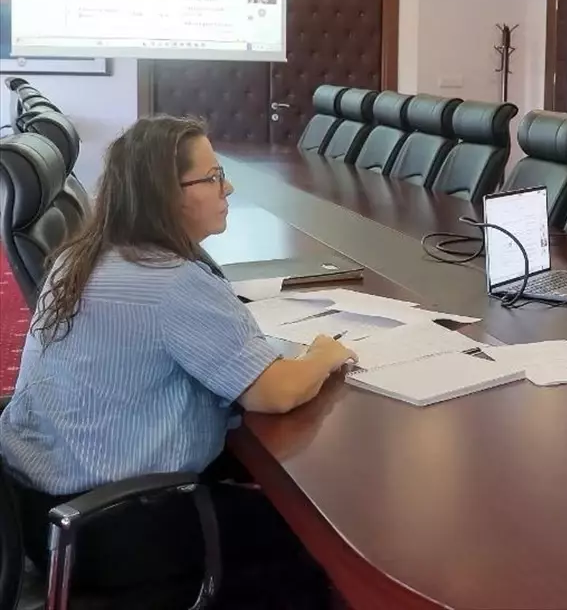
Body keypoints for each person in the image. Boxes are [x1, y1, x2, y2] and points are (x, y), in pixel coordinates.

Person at [0, 116, 357, 606]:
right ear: (167, 195)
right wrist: (324, 354)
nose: (227, 187)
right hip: (112, 529)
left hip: (39, 513)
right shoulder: (171, 283)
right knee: (317, 543)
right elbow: (277, 393)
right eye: (213, 177)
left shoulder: (78, 257)